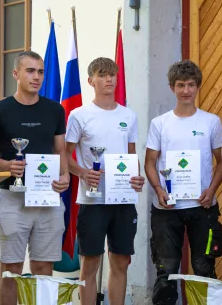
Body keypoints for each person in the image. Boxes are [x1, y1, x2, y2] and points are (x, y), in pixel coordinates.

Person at [0, 51, 70, 305]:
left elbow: (59, 150)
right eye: (30, 71)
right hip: (13, 197)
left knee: (43, 267)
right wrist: (6, 165)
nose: (37, 76)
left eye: (41, 71)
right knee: (10, 271)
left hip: (47, 197)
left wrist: (64, 176)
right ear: (16, 74)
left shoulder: (55, 110)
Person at [144, 60, 222, 305]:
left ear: (198, 86)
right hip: (166, 209)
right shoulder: (160, 123)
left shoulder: (211, 121)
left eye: (191, 85)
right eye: (180, 85)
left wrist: (212, 190)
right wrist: (159, 189)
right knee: (166, 273)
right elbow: (150, 161)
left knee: (204, 271)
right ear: (172, 87)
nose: (186, 90)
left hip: (203, 207)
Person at [65, 57, 145, 305]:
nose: (109, 79)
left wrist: (137, 178)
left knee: (120, 261)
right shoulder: (79, 115)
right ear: (91, 81)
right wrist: (81, 172)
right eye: (102, 74)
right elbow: (64, 156)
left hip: (122, 198)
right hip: (93, 197)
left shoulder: (128, 115)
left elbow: (132, 155)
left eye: (112, 74)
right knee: (90, 262)